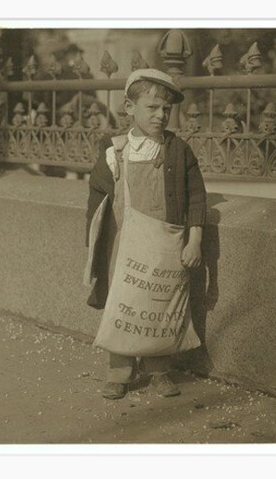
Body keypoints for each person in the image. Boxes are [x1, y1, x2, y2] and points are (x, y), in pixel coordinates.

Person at [85, 68, 207, 400]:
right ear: (129, 107)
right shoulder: (114, 152)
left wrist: (194, 240)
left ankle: (159, 370)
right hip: (125, 245)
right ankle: (119, 372)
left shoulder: (178, 151)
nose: (160, 115)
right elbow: (98, 202)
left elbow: (197, 197)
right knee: (124, 306)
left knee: (161, 303)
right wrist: (96, 249)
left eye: (166, 109)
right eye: (151, 107)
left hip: (166, 244)